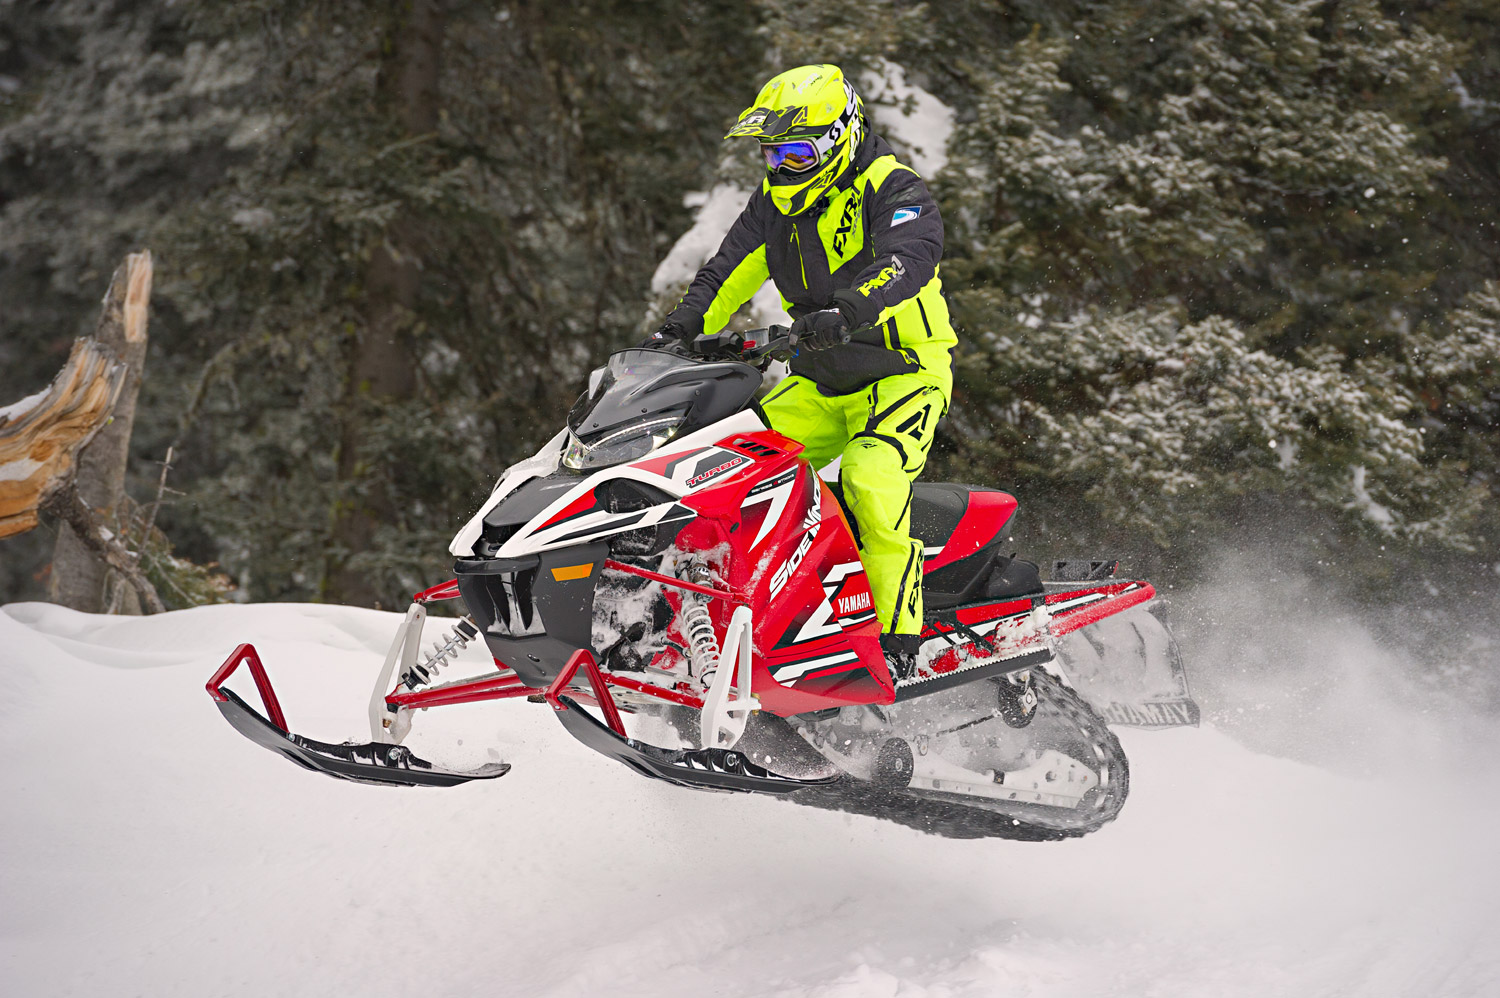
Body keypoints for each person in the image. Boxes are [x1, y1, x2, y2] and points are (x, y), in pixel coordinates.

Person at [648, 64, 956, 679]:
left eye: (798, 152)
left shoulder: (891, 187)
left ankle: (901, 642)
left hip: (904, 372)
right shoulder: (773, 206)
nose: (784, 167)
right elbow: (725, 272)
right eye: (773, 153)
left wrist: (848, 309)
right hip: (819, 380)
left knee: (870, 477)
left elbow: (909, 259)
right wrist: (676, 330)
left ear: (840, 136)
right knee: (726, 470)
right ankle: (727, 622)